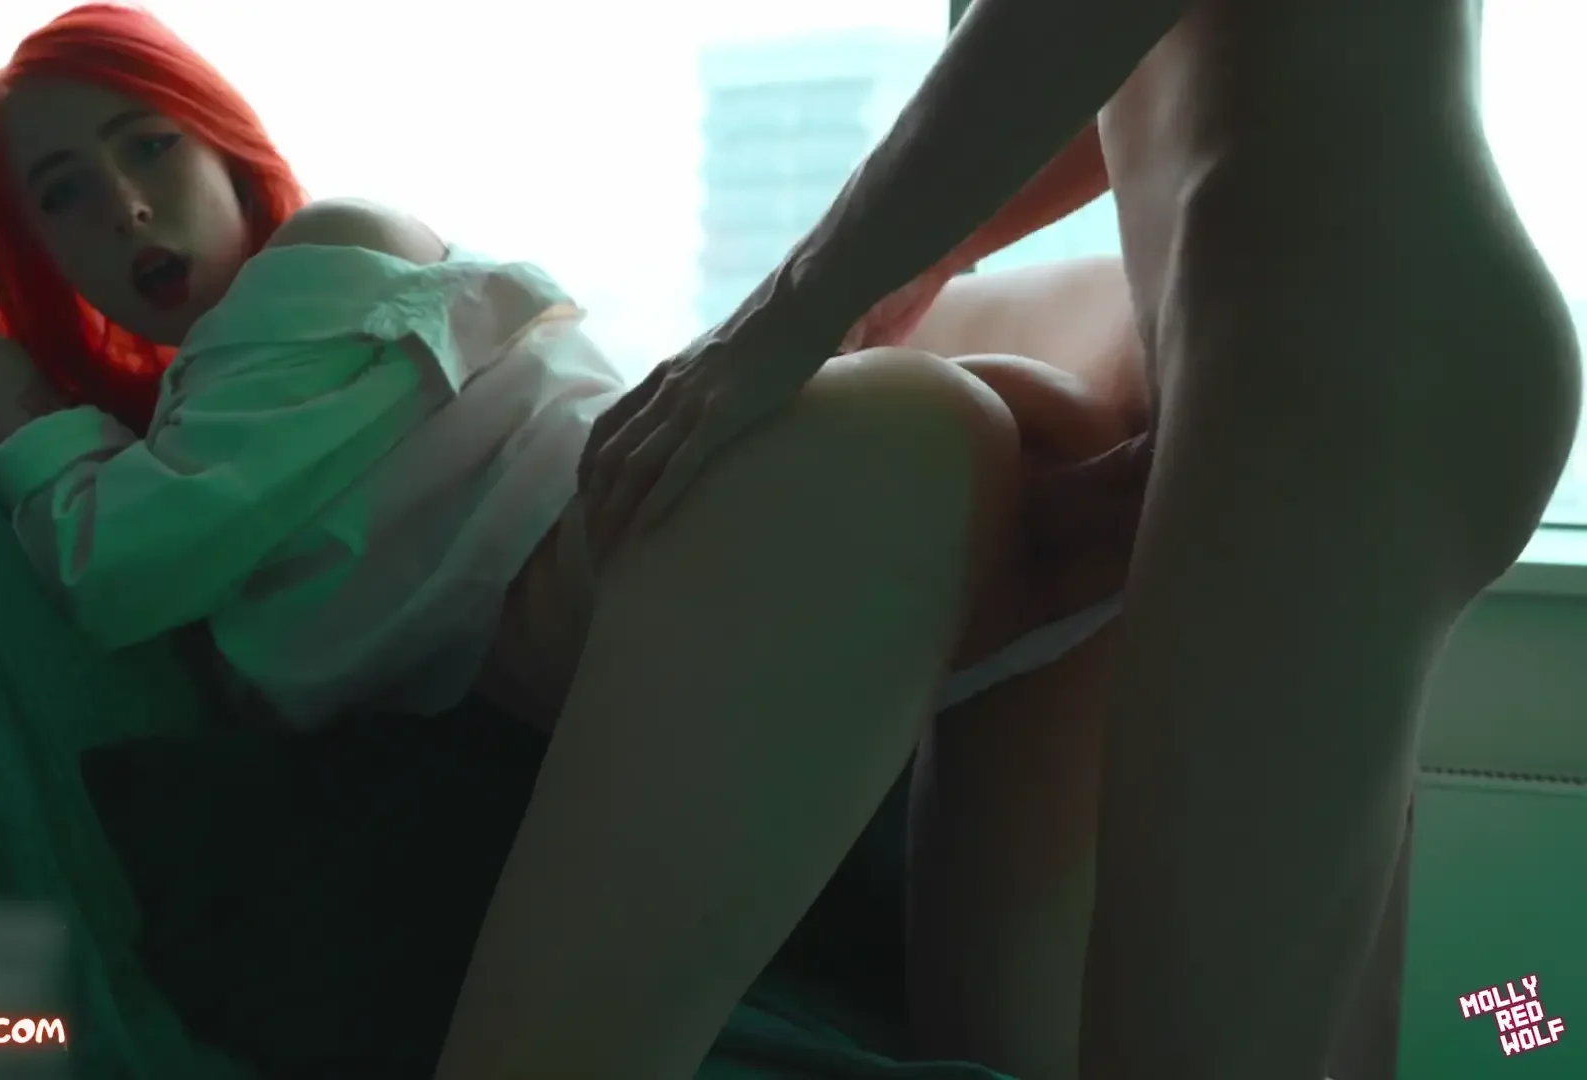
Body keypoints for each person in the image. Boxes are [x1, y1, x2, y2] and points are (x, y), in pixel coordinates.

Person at [0, 3, 1156, 1077]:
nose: (127, 209)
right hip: (757, 598)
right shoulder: (218, 405)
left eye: (149, 148)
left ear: (224, 147)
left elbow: (119, 564)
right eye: (67, 196)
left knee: (982, 405)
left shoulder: (325, 264)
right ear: (42, 256)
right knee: (1015, 1042)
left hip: (711, 545)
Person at [489, 0, 1585, 1079]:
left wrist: (790, 313)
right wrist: (923, 254)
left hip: (1340, 359)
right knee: (1305, 1025)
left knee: (1190, 1052)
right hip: (1351, 345)